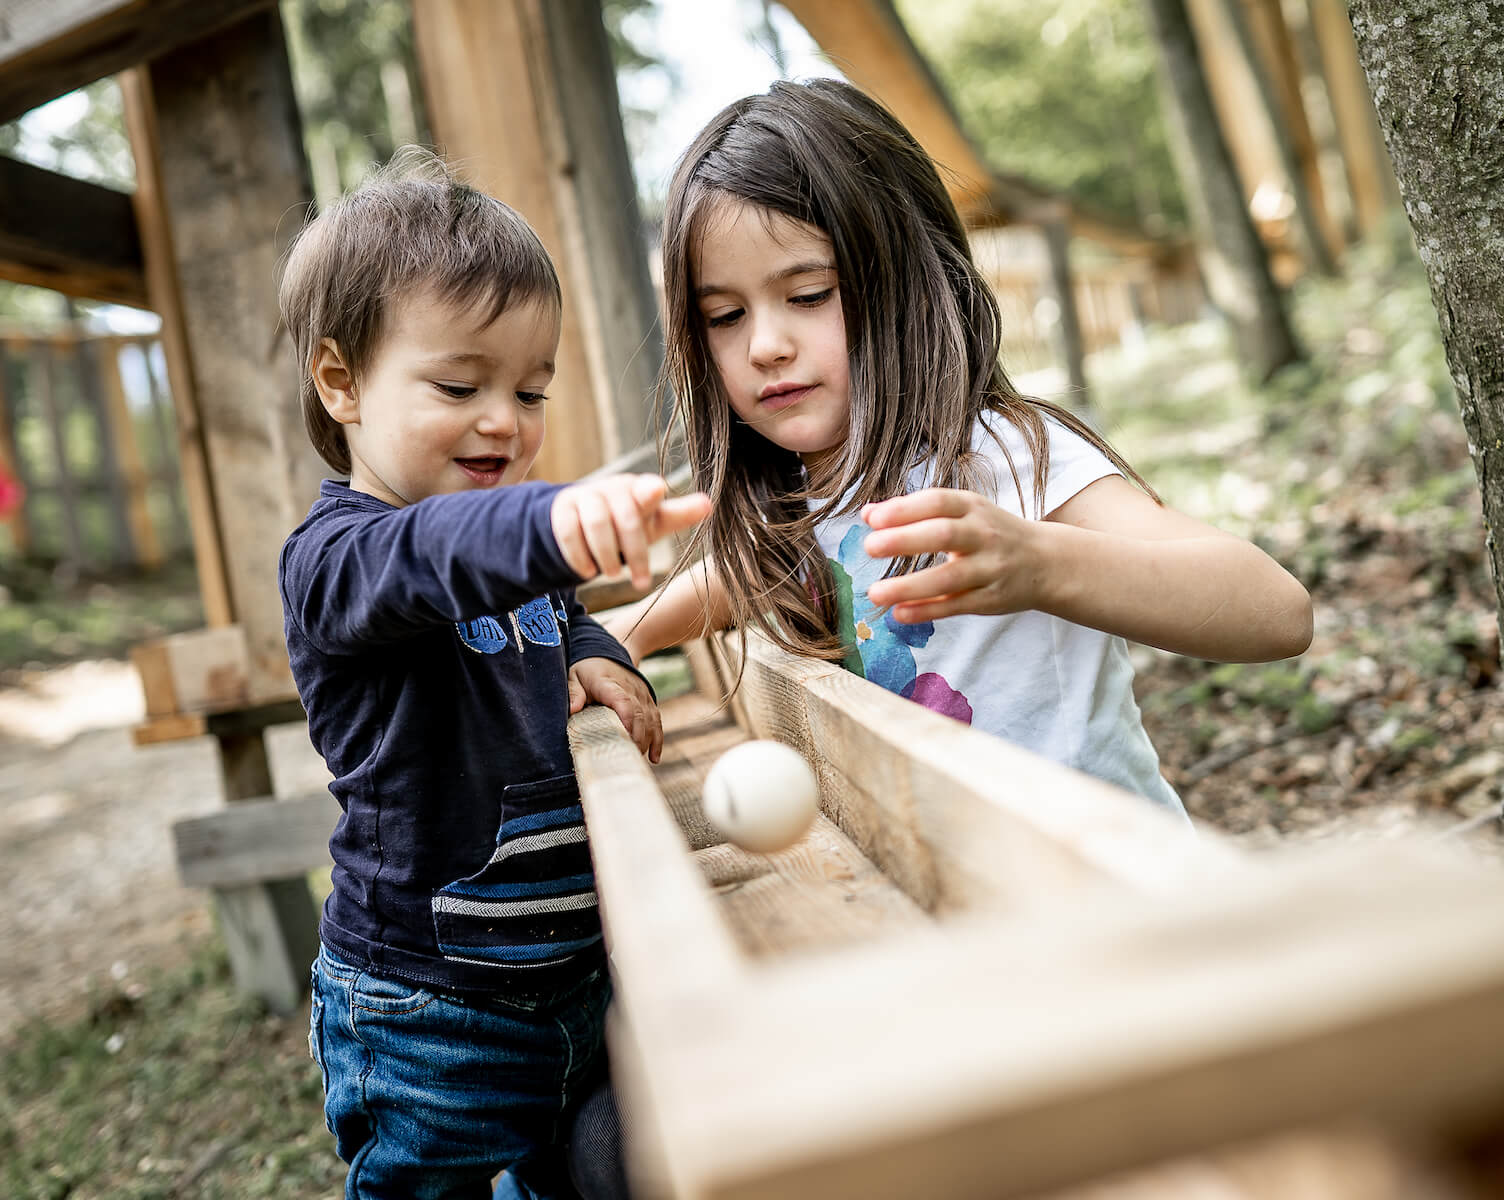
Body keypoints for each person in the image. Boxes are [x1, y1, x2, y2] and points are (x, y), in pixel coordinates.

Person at [608, 78, 1312, 818]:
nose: (766, 346)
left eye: (810, 295)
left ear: (906, 281)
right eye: (724, 315)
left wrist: (1043, 565)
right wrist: (627, 632)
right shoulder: (800, 496)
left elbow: (1277, 610)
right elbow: (747, 574)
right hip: (953, 902)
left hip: (1111, 894)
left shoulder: (1002, 455)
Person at [275, 150, 708, 1199]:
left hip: (572, 976)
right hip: (428, 1010)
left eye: (531, 389)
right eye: (460, 385)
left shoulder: (507, 545)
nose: (505, 420)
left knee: (581, 1164)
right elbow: (439, 556)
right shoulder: (340, 561)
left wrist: (606, 661)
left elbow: (555, 617)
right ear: (342, 383)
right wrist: (553, 517)